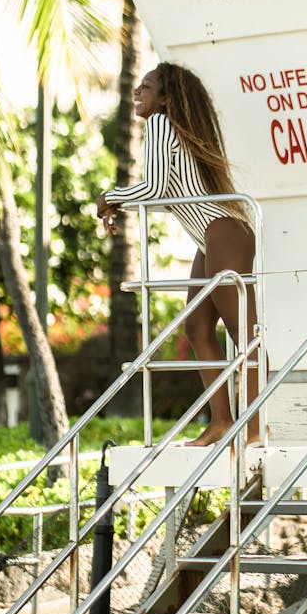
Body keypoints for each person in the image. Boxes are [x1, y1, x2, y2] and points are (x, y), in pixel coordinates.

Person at [96, 62, 261, 446]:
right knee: (198, 329)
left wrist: (111, 197)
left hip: (222, 232)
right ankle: (222, 420)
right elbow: (163, 190)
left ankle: (253, 426)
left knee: (243, 332)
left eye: (148, 87)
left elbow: (153, 189)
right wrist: (118, 202)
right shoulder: (172, 130)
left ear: (166, 99)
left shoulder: (159, 124)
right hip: (213, 235)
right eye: (138, 85)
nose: (138, 91)